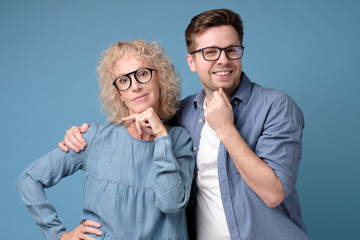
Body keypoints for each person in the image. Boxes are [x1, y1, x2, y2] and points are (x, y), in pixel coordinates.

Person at [58, 9, 309, 240]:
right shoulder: (183, 114)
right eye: (210, 52)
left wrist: (226, 129)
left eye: (231, 49)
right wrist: (80, 136)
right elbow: (140, 140)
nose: (223, 60)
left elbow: (273, 193)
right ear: (192, 62)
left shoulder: (276, 107)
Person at [16, 40, 195, 240]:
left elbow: (171, 204)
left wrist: (161, 137)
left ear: (159, 78)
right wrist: (59, 235)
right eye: (124, 81)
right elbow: (29, 180)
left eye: (143, 74)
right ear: (119, 94)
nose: (135, 86)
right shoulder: (95, 139)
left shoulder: (179, 141)